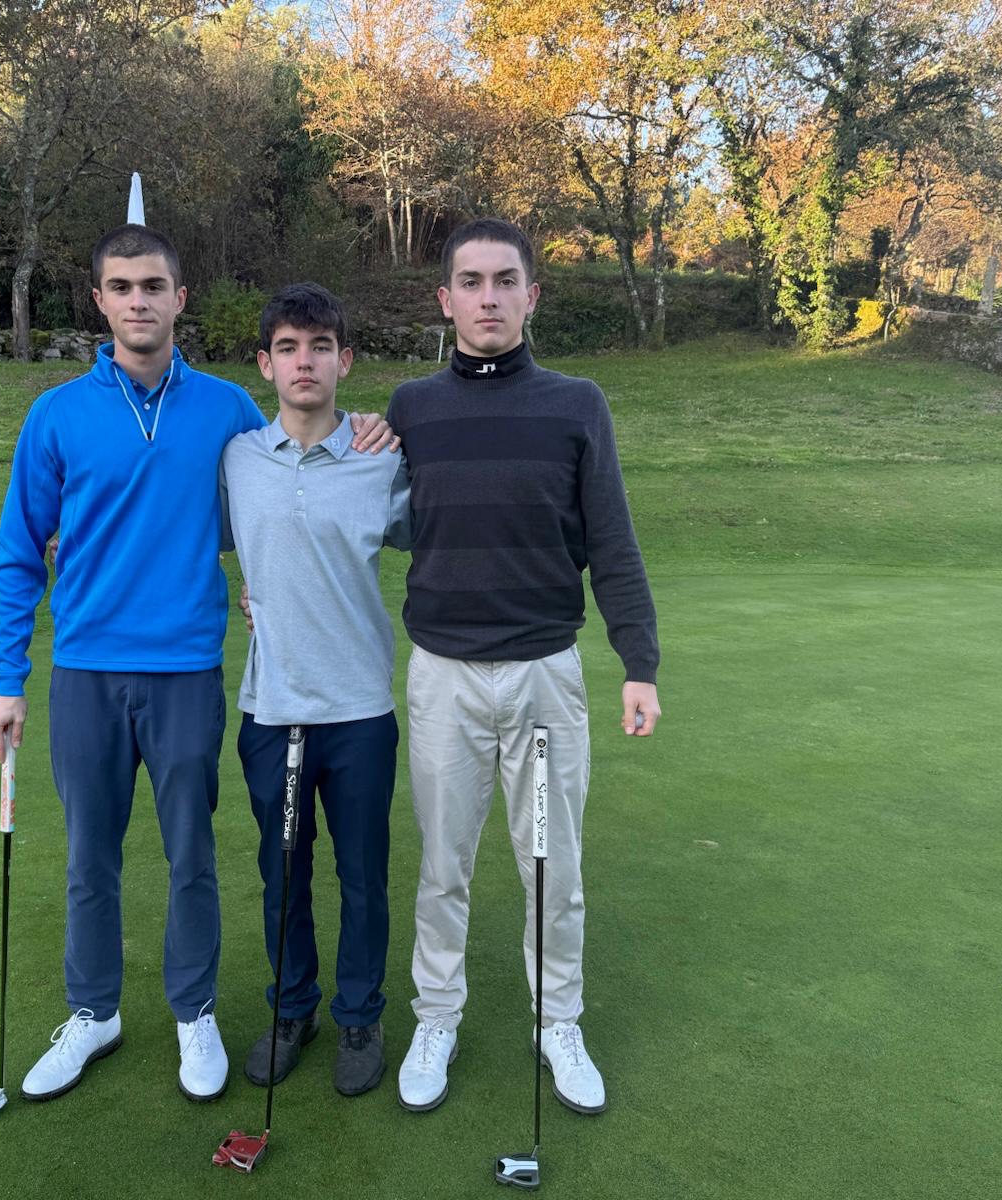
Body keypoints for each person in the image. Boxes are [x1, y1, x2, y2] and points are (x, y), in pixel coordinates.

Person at [0, 225, 391, 1105]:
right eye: (122, 286)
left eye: (154, 286)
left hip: (185, 672)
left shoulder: (228, 411)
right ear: (99, 300)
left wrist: (367, 427)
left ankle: (193, 1010)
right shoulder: (56, 415)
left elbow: (288, 486)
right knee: (89, 858)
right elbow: (18, 553)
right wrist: (7, 680)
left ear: (180, 298)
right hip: (87, 670)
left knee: (191, 857)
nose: (139, 300)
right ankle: (93, 1012)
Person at [387, 218, 661, 1116]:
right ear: (446, 300)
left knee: (552, 868)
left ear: (531, 296)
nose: (489, 297)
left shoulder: (577, 405)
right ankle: (437, 1017)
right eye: (471, 282)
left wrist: (639, 662)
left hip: (544, 676)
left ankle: (558, 1021)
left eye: (506, 280)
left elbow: (612, 540)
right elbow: (357, 517)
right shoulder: (410, 410)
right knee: (444, 867)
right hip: (444, 679)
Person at [219, 283, 411, 1098]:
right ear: (265, 364)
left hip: (360, 708)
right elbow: (186, 536)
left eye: (321, 347)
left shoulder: (382, 458)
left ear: (345, 361)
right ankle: (292, 1007)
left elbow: (444, 539)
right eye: (289, 348)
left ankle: (360, 1015)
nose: (306, 362)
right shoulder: (237, 459)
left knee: (363, 876)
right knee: (283, 874)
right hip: (272, 710)